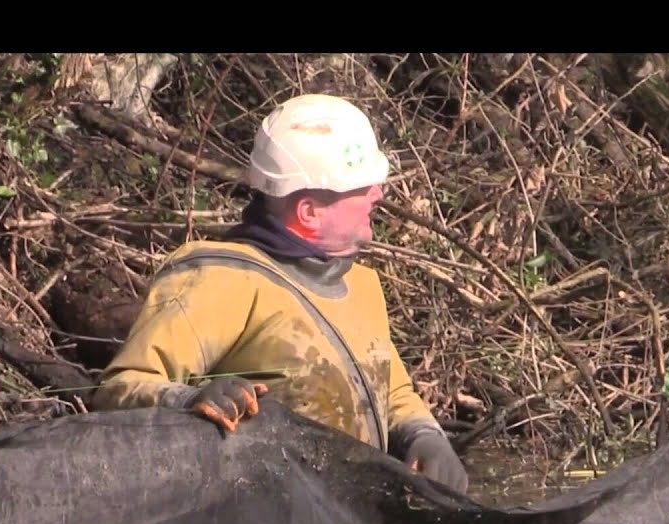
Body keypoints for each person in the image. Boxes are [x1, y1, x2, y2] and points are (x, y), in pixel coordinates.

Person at [93, 93, 469, 493]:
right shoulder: (222, 277)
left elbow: (393, 391)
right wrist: (189, 399)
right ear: (309, 212)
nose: (378, 193)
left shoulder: (362, 285)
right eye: (361, 187)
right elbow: (121, 388)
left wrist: (424, 435)